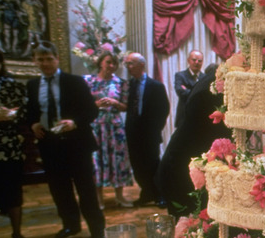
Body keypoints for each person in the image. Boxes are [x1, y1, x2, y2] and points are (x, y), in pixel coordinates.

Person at [26, 41, 105, 238]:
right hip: (50, 145)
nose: (45, 63)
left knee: (86, 189)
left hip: (76, 144)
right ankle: (71, 226)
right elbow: (30, 113)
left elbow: (92, 110)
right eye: (40, 59)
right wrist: (33, 124)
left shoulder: (75, 82)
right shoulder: (32, 85)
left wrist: (75, 122)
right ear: (35, 61)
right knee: (60, 190)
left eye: (49, 59)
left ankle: (97, 230)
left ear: (57, 59)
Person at [157, 63, 229, 219]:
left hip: (181, 166)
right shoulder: (209, 93)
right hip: (180, 173)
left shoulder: (211, 83)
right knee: (188, 229)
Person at [0, 45, 30, 238]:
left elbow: (24, 109)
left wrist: (11, 114)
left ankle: (17, 233)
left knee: (13, 192)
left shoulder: (10, 84)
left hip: (9, 148)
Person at [84, 51, 133, 208]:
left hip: (114, 127)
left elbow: (126, 107)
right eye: (108, 62)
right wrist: (96, 104)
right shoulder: (88, 81)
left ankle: (120, 196)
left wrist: (114, 102)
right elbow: (81, 104)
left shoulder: (121, 83)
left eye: (114, 63)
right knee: (97, 161)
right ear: (100, 63)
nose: (111, 66)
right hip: (96, 126)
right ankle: (99, 199)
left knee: (118, 161)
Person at [124, 52, 170, 207]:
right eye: (127, 64)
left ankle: (160, 194)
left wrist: (156, 128)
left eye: (131, 63)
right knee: (137, 165)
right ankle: (147, 192)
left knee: (152, 164)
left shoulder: (156, 86)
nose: (128, 67)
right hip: (132, 133)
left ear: (141, 65)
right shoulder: (128, 85)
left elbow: (164, 108)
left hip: (150, 133)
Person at [173, 50, 204, 128]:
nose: (196, 62)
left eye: (199, 61)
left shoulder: (205, 78)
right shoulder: (180, 76)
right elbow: (180, 92)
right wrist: (199, 94)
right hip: (184, 117)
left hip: (200, 118)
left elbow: (207, 96)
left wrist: (187, 90)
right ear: (188, 60)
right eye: (194, 60)